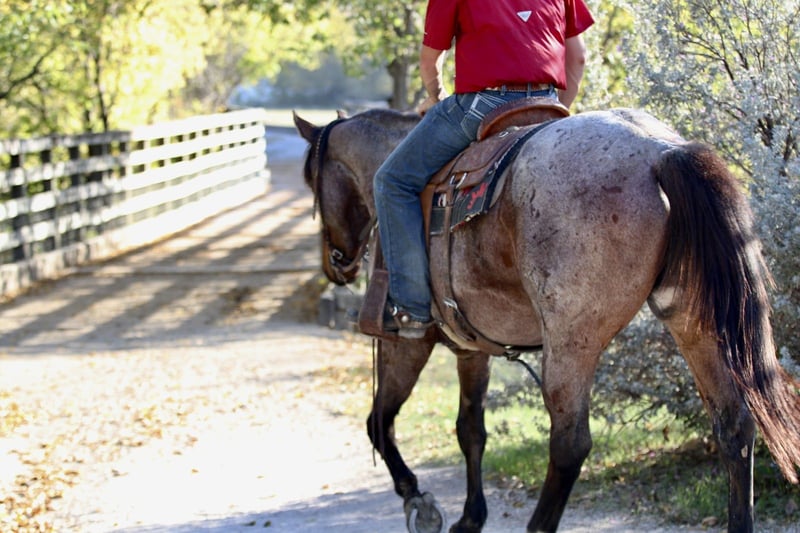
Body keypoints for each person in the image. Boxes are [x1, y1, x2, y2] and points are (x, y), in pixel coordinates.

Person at [374, 0, 595, 339]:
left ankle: (412, 309)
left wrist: (436, 96)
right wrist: (556, 112)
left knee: (392, 181)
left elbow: (430, 60)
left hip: (484, 104)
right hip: (547, 103)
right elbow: (577, 57)